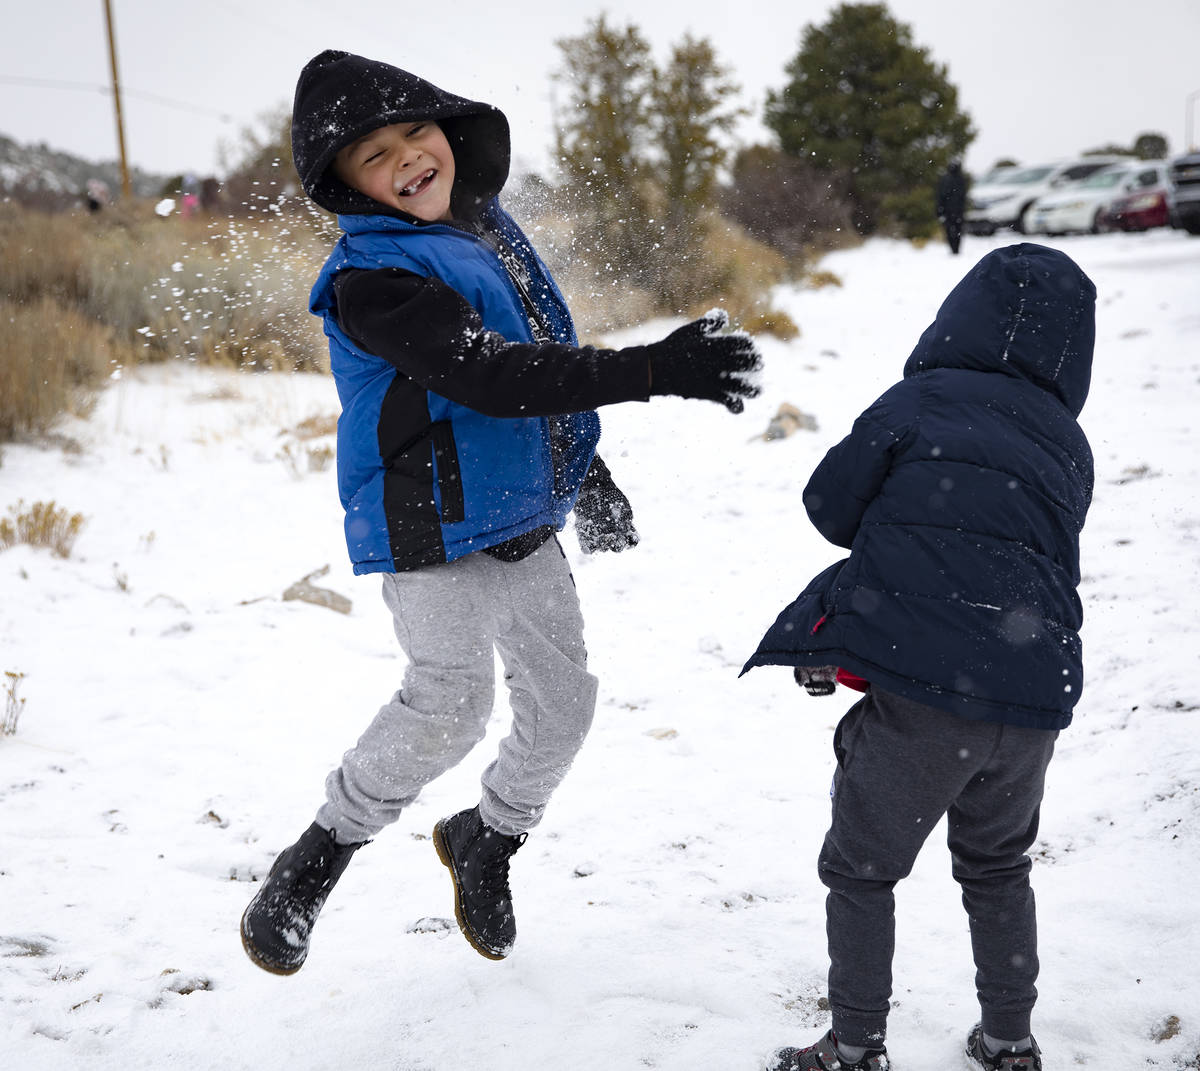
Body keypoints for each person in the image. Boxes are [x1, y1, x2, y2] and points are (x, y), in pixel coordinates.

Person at [239, 50, 763, 976]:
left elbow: (543, 350)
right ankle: (313, 862)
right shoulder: (369, 280)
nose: (408, 157)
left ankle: (487, 838)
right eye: (375, 155)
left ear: (449, 133)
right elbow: (487, 372)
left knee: (564, 705)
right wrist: (652, 370)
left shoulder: (492, 232)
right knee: (451, 706)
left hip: (522, 518)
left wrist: (584, 470)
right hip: (428, 528)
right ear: (346, 186)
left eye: (416, 132)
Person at [742, 244, 1096, 1071]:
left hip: (929, 694)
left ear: (957, 315)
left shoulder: (919, 400)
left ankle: (855, 1044)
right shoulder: (1067, 443)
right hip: (1033, 696)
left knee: (862, 870)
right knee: (1000, 864)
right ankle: (1010, 1040)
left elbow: (829, 508)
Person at [936, 160, 968, 254]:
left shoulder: (946, 179)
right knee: (956, 230)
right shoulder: (960, 179)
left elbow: (941, 196)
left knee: (951, 231)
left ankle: (954, 249)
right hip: (956, 211)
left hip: (950, 211)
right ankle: (955, 249)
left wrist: (940, 210)